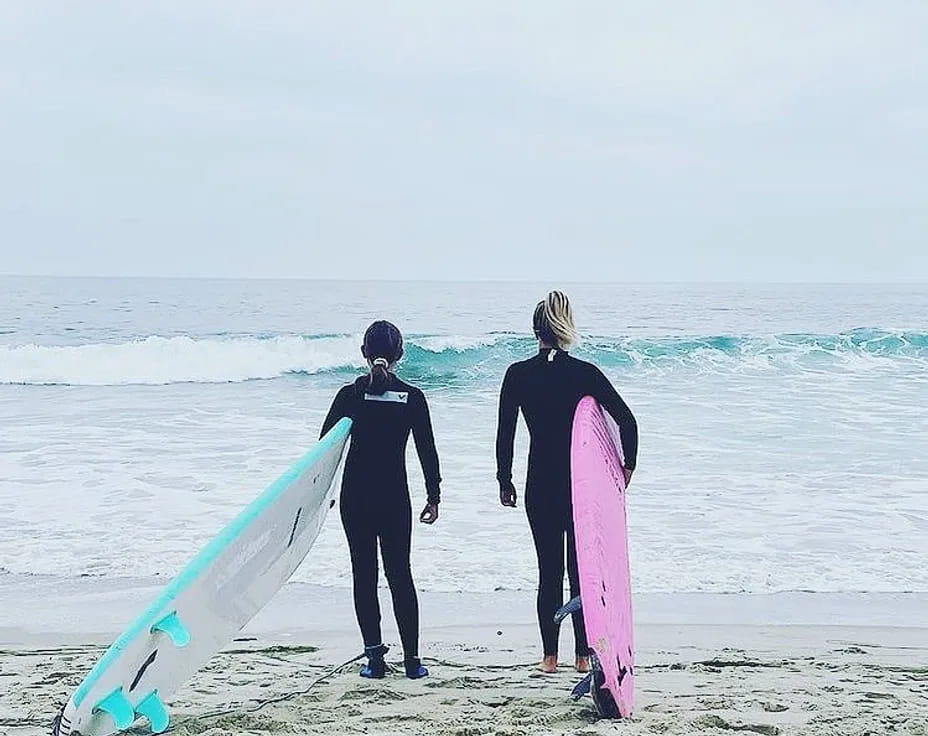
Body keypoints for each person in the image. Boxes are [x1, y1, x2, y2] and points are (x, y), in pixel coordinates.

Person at [495, 291, 638, 674]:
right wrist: (626, 470)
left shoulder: (518, 374)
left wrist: (503, 480)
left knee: (548, 573)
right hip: (579, 490)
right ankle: (582, 656)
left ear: (535, 330)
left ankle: (548, 658)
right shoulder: (584, 374)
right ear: (565, 329)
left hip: (537, 485)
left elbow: (505, 433)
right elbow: (627, 421)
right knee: (581, 573)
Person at [321, 320, 441, 680]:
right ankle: (413, 662)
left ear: (363, 353)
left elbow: (325, 448)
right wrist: (433, 495)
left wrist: (319, 496)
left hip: (355, 498)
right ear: (400, 355)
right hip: (394, 499)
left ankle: (374, 661)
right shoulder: (413, 398)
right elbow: (427, 452)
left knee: (364, 575)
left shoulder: (350, 395)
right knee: (400, 575)